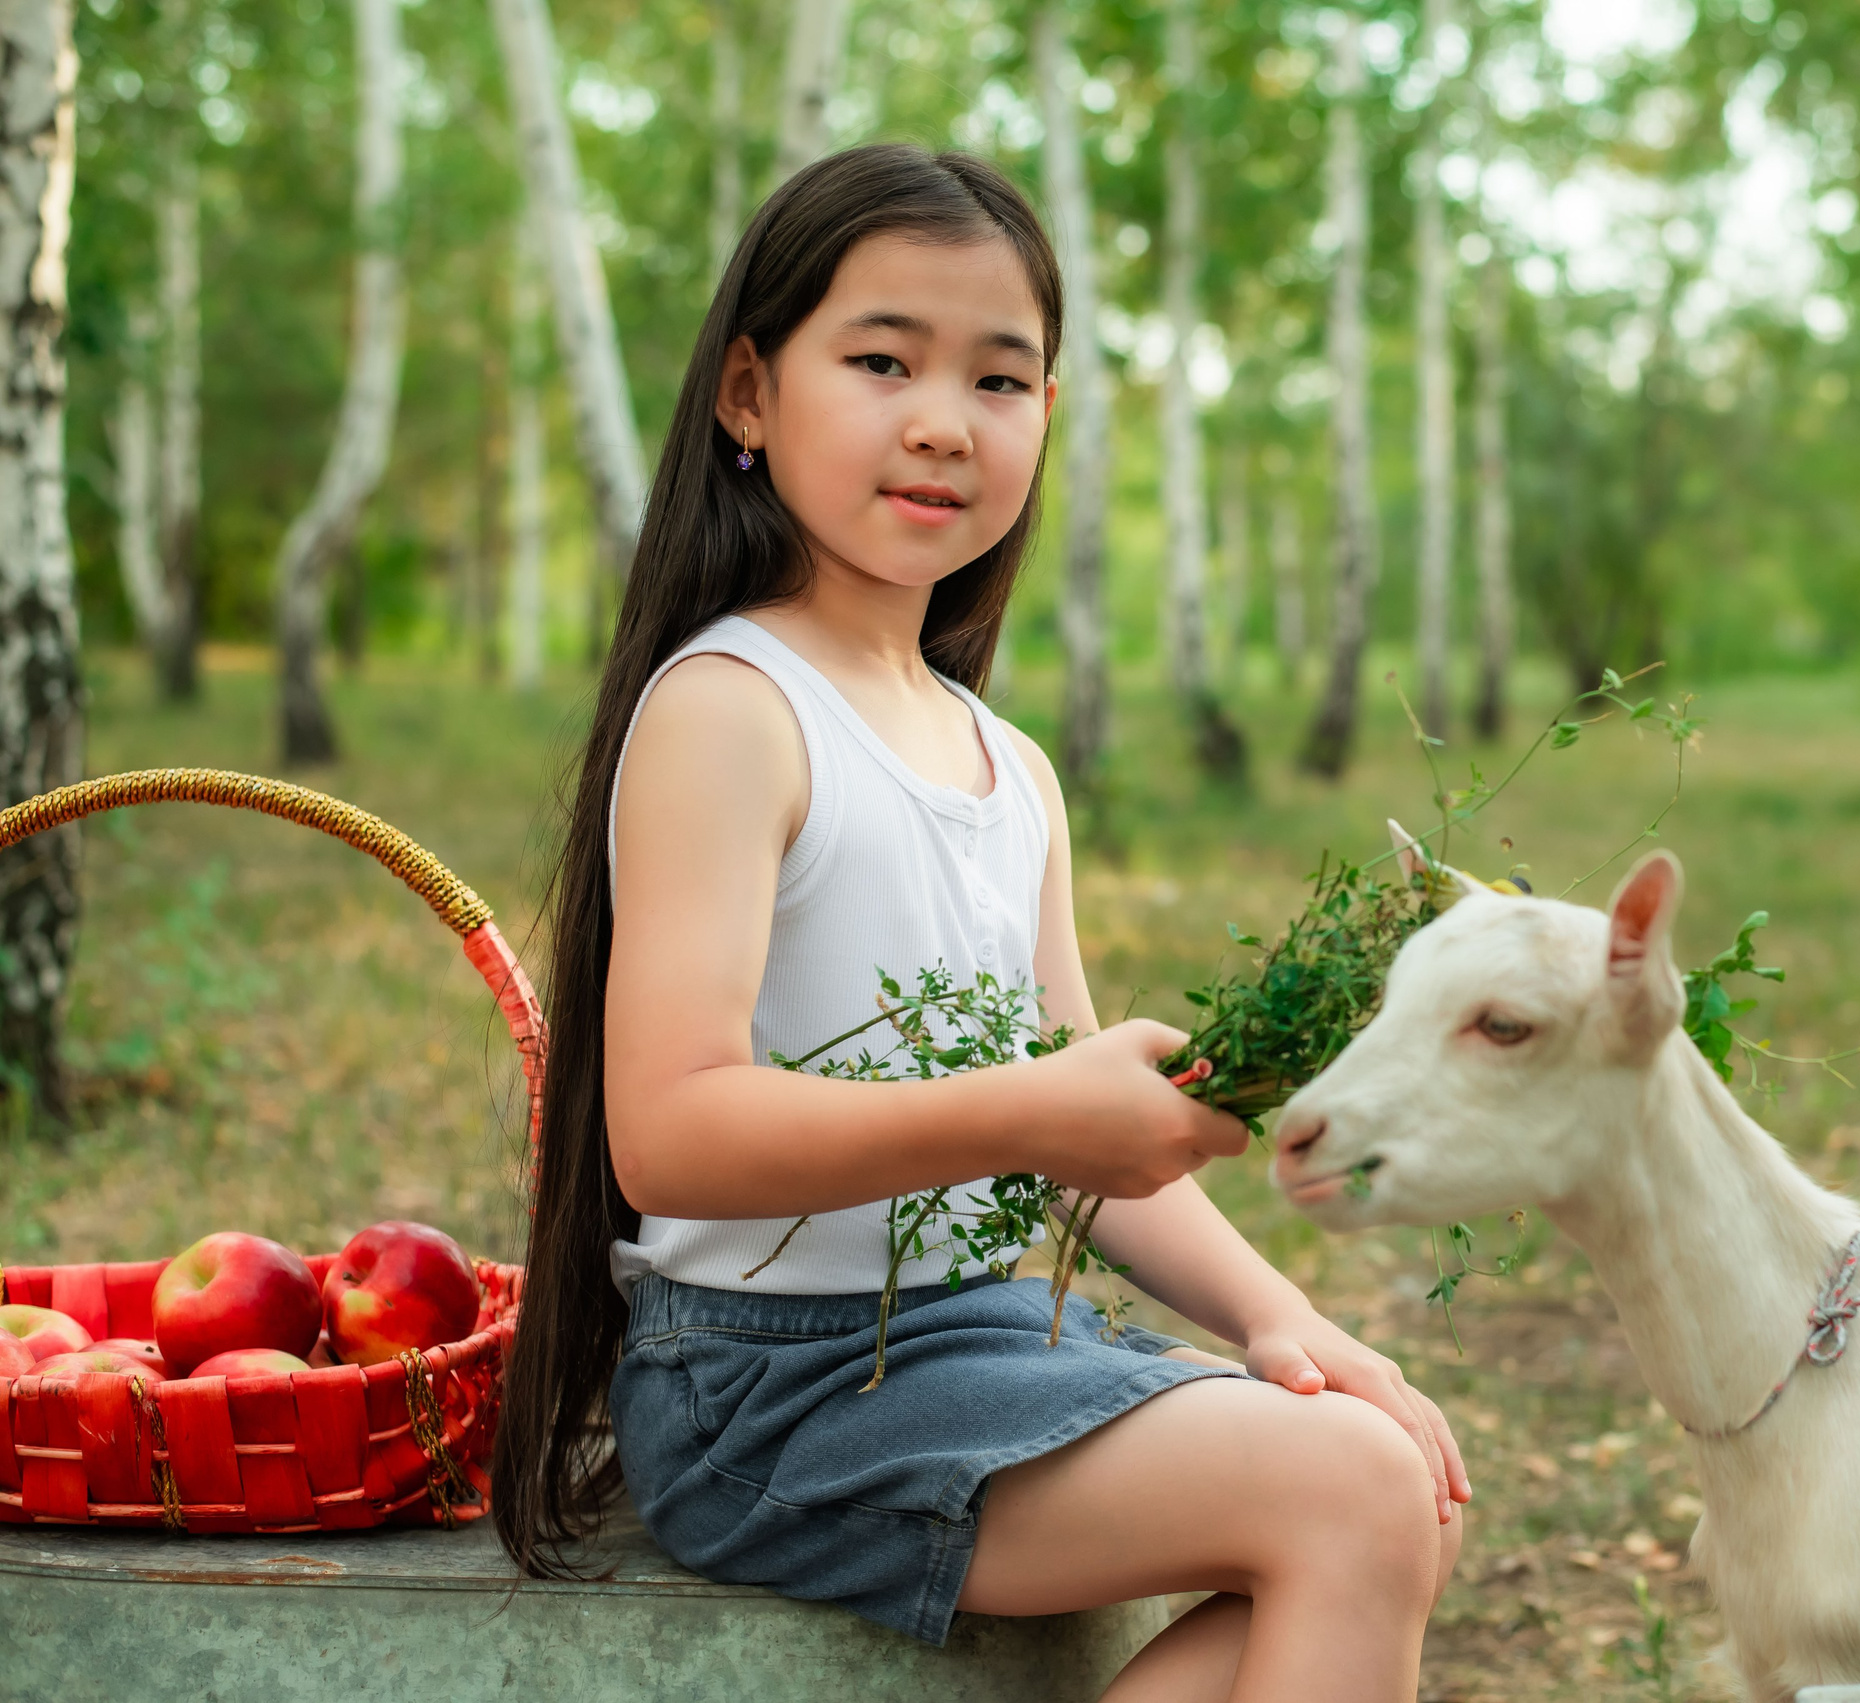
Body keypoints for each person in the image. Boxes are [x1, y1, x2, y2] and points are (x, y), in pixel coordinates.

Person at [490, 144, 1466, 1703]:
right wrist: (1030, 1111)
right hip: (765, 1388)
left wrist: (1286, 1321)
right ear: (749, 393)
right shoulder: (735, 711)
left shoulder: (1008, 766)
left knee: (1377, 1472)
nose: (942, 419)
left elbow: (1092, 1140)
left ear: (1048, 419)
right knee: (1346, 1494)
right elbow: (668, 1138)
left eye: (1000, 381)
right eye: (881, 360)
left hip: (968, 1338)